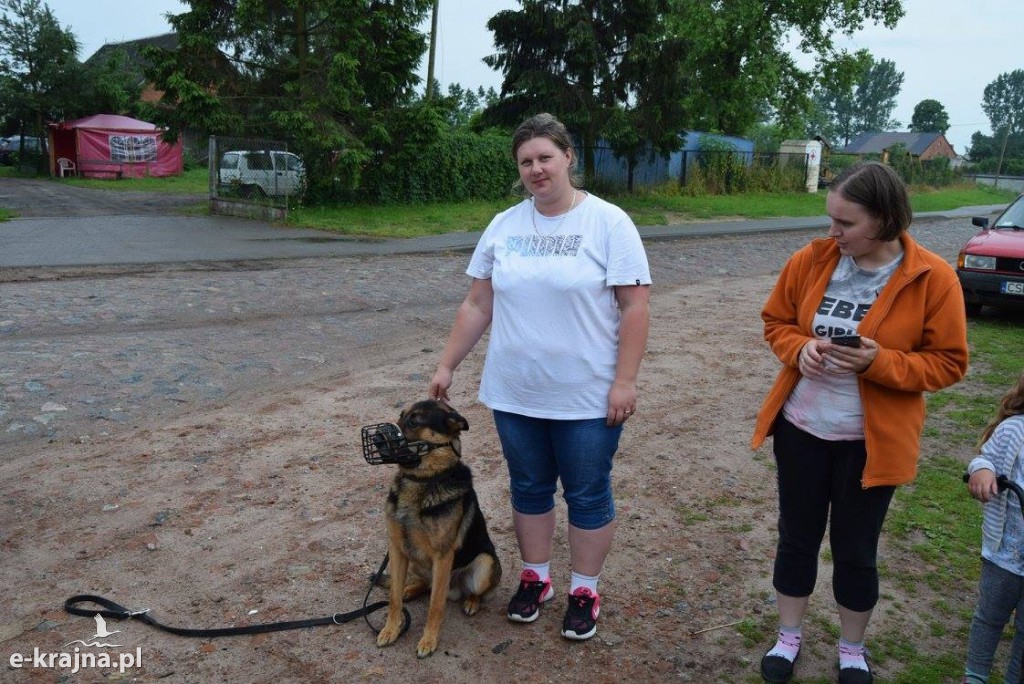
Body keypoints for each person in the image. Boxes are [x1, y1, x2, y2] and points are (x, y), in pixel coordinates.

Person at [428, 112, 651, 641]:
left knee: (588, 492)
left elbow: (635, 307)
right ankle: (537, 578)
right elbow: (478, 303)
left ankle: (584, 589)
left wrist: (625, 380)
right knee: (528, 487)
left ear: (568, 157)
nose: (536, 169)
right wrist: (447, 363)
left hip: (586, 397)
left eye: (545, 157)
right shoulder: (505, 225)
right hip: (515, 391)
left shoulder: (609, 222)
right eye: (526, 161)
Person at [750, 160, 969, 684]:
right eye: (831, 220)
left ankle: (852, 649)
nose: (833, 232)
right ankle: (788, 638)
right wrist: (801, 348)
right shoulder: (812, 259)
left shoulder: (933, 277)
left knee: (855, 548)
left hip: (869, 445)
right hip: (802, 429)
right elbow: (775, 322)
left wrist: (880, 362)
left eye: (845, 224)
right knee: (797, 538)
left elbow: (949, 364)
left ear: (885, 220)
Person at [962, 371, 1024, 684]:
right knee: (989, 617)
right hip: (1005, 554)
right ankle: (975, 675)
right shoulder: (1014, 430)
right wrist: (984, 470)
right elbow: (982, 459)